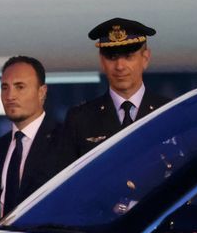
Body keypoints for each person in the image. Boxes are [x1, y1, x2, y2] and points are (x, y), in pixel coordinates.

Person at [62, 18, 171, 158]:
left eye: (128, 56)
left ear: (145, 58)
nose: (119, 66)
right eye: (112, 57)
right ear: (102, 61)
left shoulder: (169, 111)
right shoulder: (80, 119)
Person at [0, 56, 73, 217]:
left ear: (42, 92)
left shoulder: (66, 141)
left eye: (20, 87)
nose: (10, 96)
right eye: (5, 87)